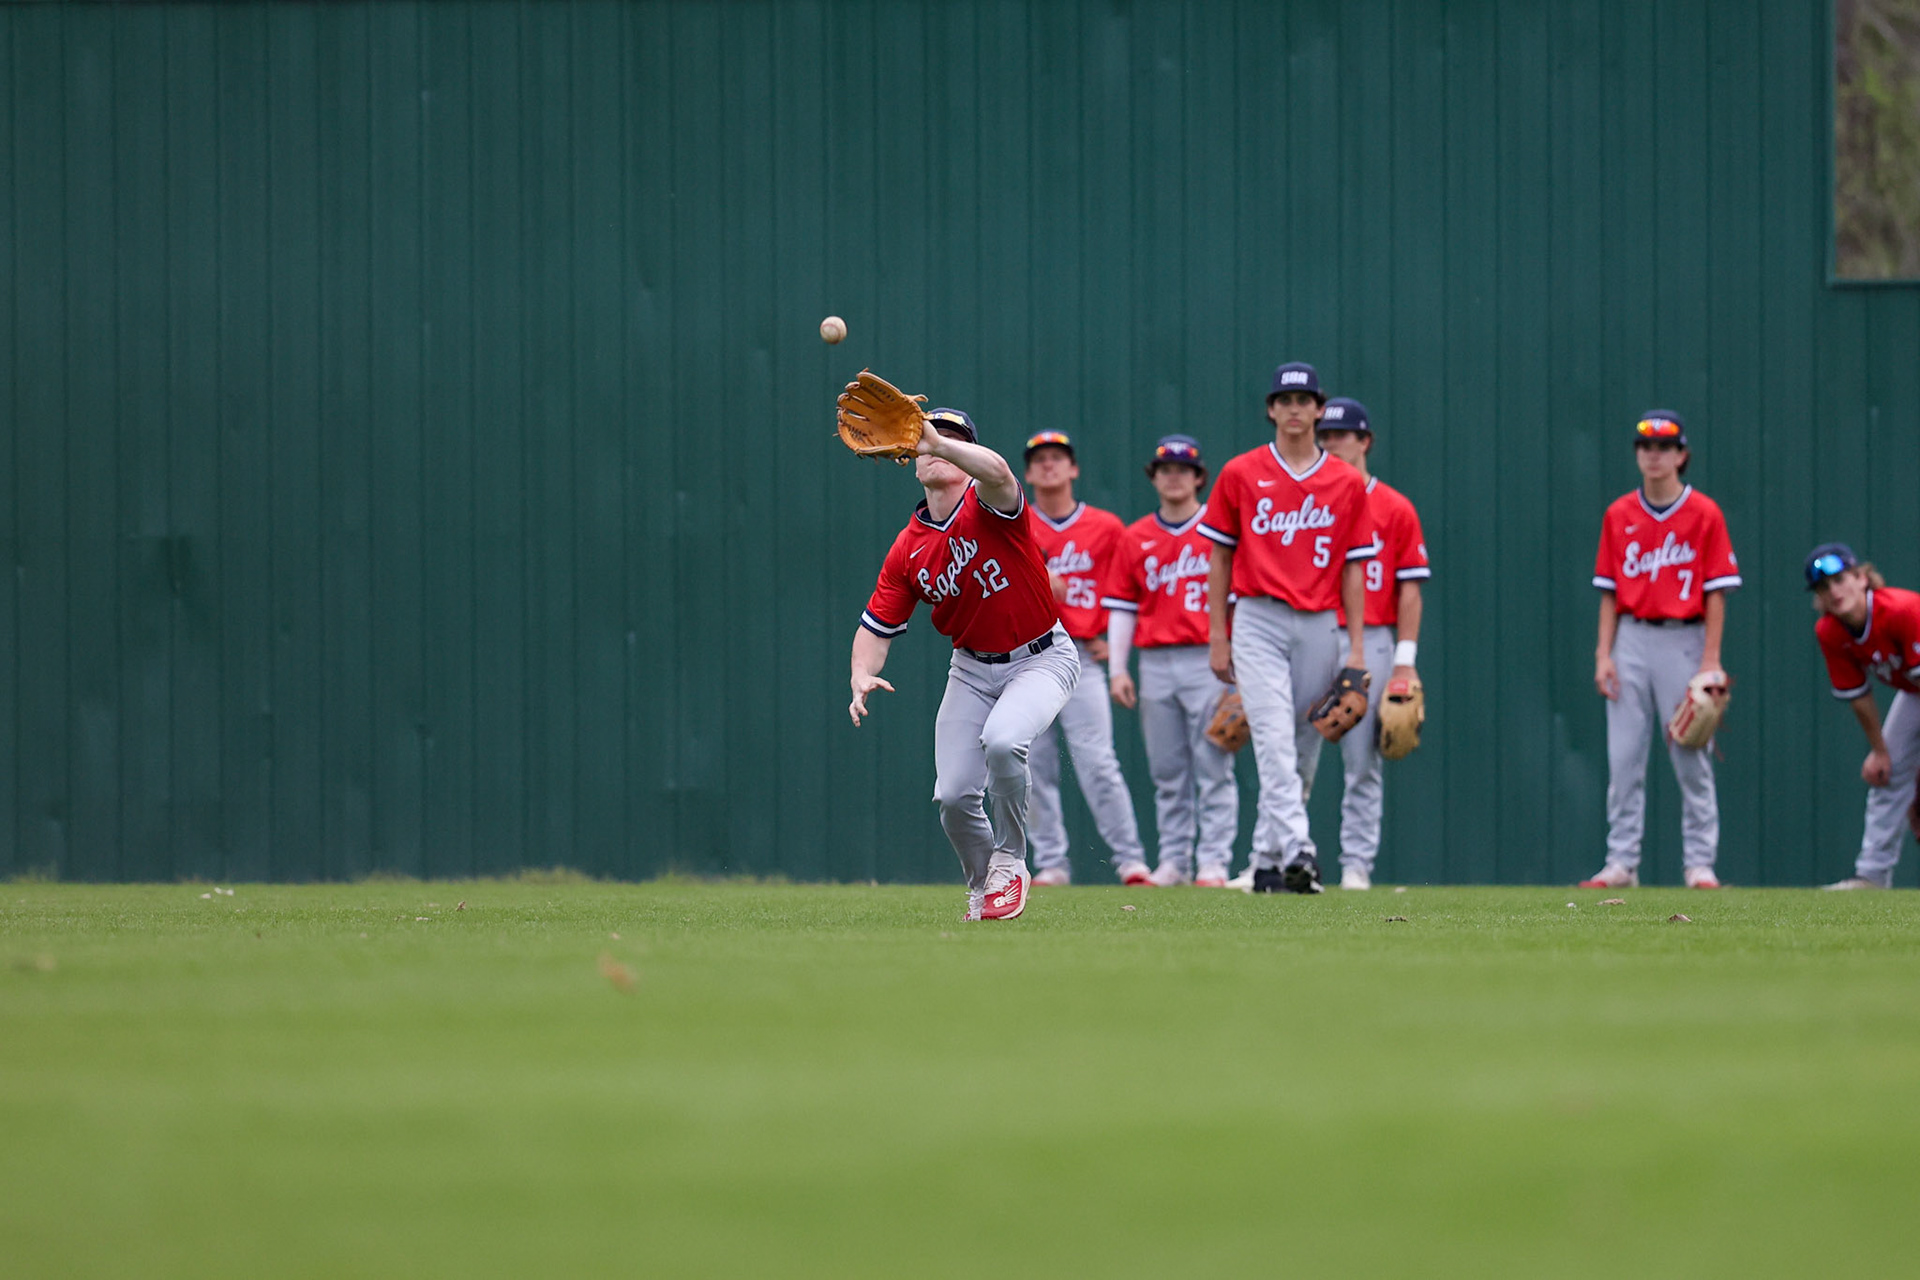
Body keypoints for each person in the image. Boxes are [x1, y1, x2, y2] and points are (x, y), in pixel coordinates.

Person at [849, 408, 1081, 921]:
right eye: (925, 437)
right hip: (971, 670)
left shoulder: (991, 501)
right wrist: (860, 672)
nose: (934, 443)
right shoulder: (908, 548)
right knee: (953, 796)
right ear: (910, 461)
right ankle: (983, 887)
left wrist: (937, 441)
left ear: (966, 451)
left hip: (1041, 656)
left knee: (1003, 740)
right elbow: (876, 624)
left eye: (952, 437)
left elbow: (998, 471)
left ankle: (1011, 862)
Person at [1200, 362, 1375, 894]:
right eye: (1285, 400)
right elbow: (1219, 558)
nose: (1294, 409)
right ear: (1271, 410)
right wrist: (1218, 634)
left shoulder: (1346, 481)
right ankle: (1300, 848)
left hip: (1320, 620)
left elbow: (1354, 569)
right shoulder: (1241, 472)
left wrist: (1357, 648)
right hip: (1258, 616)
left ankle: (1266, 863)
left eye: (1304, 400)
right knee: (1273, 736)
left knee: (1302, 745)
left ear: (1319, 409)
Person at [1582, 411, 1741, 889]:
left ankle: (1699, 864)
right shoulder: (1619, 513)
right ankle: (1621, 862)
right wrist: (1603, 654)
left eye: (1665, 447)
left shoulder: (1705, 513)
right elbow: (1609, 591)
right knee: (1624, 758)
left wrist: (1711, 659)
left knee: (1691, 753)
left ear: (1681, 455)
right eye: (1646, 446)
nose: (1654, 455)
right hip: (1630, 636)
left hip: (1685, 638)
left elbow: (1716, 593)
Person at [1102, 435, 1239, 888]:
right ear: (1154, 477)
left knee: (1214, 764)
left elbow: (1238, 601)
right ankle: (1175, 861)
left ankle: (1214, 862)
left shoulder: (1218, 529)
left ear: (1199, 477)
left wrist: (1238, 662)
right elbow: (1122, 607)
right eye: (1166, 469)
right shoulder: (1135, 536)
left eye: (1184, 469)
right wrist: (1118, 669)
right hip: (1155, 661)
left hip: (1209, 658)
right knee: (1167, 771)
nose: (1174, 476)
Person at [1021, 431, 1150, 886]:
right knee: (1031, 765)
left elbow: (1127, 590)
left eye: (1058, 457)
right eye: (1040, 459)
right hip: (1028, 655)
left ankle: (1131, 860)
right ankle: (1051, 863)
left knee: (1098, 763)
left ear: (1073, 468)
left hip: (1081, 653)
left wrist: (1112, 643)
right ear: (1027, 473)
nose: (1049, 465)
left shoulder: (1106, 527)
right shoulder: (1016, 521)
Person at [1314, 398, 1430, 891]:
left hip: (1375, 636)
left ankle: (1356, 865)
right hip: (1314, 628)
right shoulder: (1310, 503)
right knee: (1290, 751)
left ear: (1365, 441)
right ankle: (1278, 854)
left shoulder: (1395, 506)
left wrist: (1405, 661)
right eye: (1325, 435)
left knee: (1362, 760)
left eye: (1341, 435)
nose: (1332, 443)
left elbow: (1410, 589)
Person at [1806, 543, 1920, 890]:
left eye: (1840, 580)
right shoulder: (1830, 631)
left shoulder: (1902, 610)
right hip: (1914, 691)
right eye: (1823, 587)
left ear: (1862, 578)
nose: (1833, 591)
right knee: (1887, 773)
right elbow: (1858, 695)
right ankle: (1872, 876)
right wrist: (1880, 751)